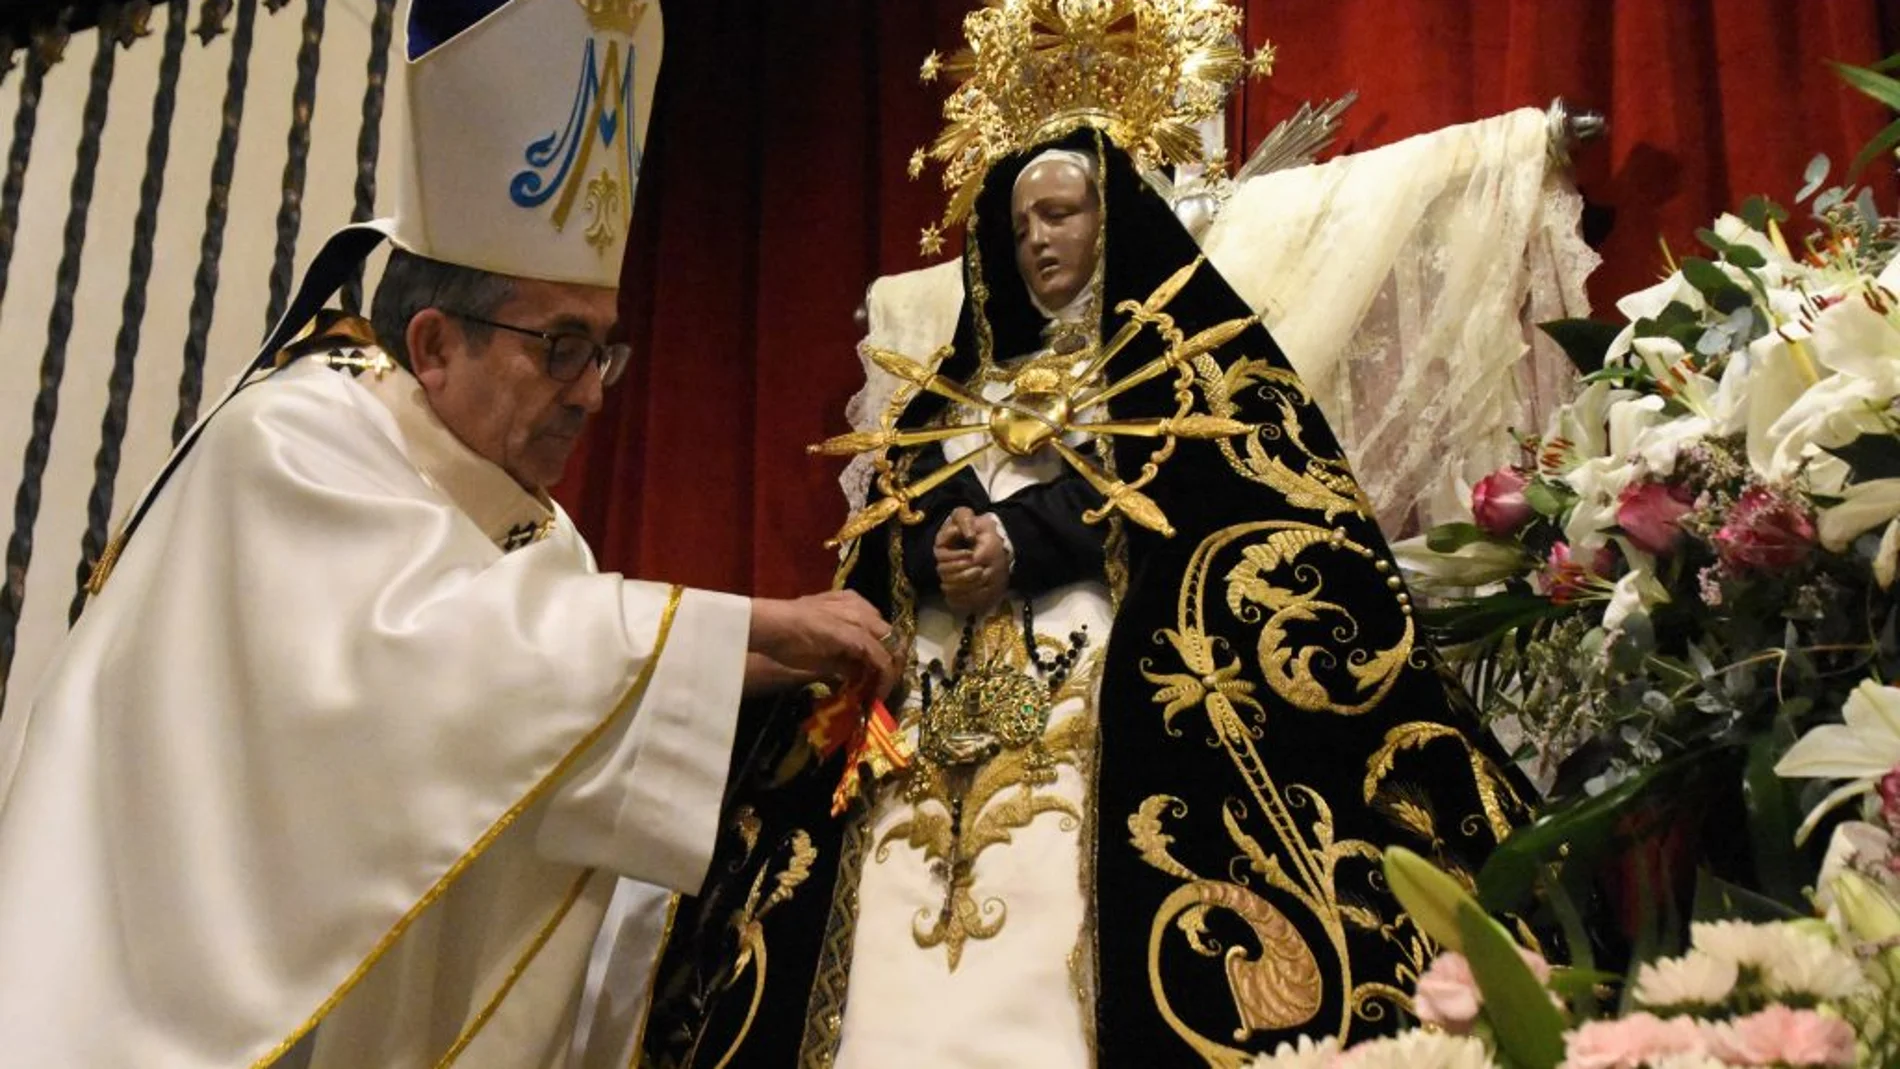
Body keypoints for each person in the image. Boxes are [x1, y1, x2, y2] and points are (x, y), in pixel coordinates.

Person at [0, 0, 895, 1066]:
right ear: (433, 344)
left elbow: (540, 731)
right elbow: (413, 670)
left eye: (604, 353)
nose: (591, 395)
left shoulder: (539, 539)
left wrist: (745, 681)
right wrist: (733, 630)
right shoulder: (289, 441)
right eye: (561, 345)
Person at [637, 124, 1537, 1067]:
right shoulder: (948, 394)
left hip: (1107, 683)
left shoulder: (1180, 362)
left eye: (1060, 213)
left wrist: (1022, 541)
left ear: (1110, 222)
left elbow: (1218, 500)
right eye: (1022, 224)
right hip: (931, 706)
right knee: (886, 911)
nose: (1039, 239)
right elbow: (888, 523)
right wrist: (938, 544)